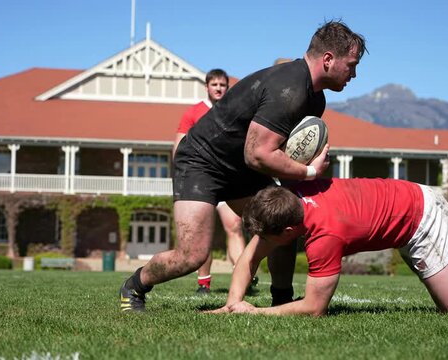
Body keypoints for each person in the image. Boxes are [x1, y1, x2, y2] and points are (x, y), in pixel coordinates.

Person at [120, 20, 367, 311]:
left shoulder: (315, 100)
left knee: (284, 224)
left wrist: (296, 191)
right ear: (328, 59)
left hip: (243, 170)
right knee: (192, 255)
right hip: (203, 161)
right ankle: (134, 287)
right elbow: (258, 154)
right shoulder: (290, 89)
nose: (354, 73)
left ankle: (282, 301)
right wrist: (311, 171)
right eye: (351, 64)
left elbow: (274, 156)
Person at [210, 178, 448, 317]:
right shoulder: (292, 193)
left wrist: (253, 313)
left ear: (290, 228)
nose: (269, 246)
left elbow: (313, 308)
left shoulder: (325, 237)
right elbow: (252, 254)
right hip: (410, 199)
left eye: (274, 238)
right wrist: (232, 303)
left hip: (421, 219)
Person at [172, 68, 256, 295]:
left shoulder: (234, 110)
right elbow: (179, 146)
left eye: (222, 85)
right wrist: (180, 178)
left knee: (235, 227)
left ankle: (244, 277)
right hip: (201, 180)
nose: (218, 88)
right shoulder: (193, 113)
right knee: (201, 234)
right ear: (207, 87)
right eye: (214, 84)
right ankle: (203, 283)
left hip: (228, 180)